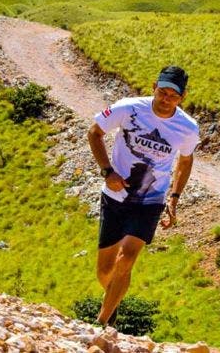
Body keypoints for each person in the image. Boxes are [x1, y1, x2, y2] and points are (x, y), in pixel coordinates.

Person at [86, 65, 200, 327]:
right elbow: (94, 133)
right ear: (153, 88)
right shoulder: (129, 108)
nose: (166, 99)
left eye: (173, 95)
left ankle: (100, 324)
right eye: (162, 92)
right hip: (115, 196)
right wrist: (107, 172)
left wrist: (174, 197)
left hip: (150, 200)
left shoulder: (187, 127)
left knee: (126, 258)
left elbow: (186, 159)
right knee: (105, 271)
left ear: (182, 97)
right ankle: (112, 305)